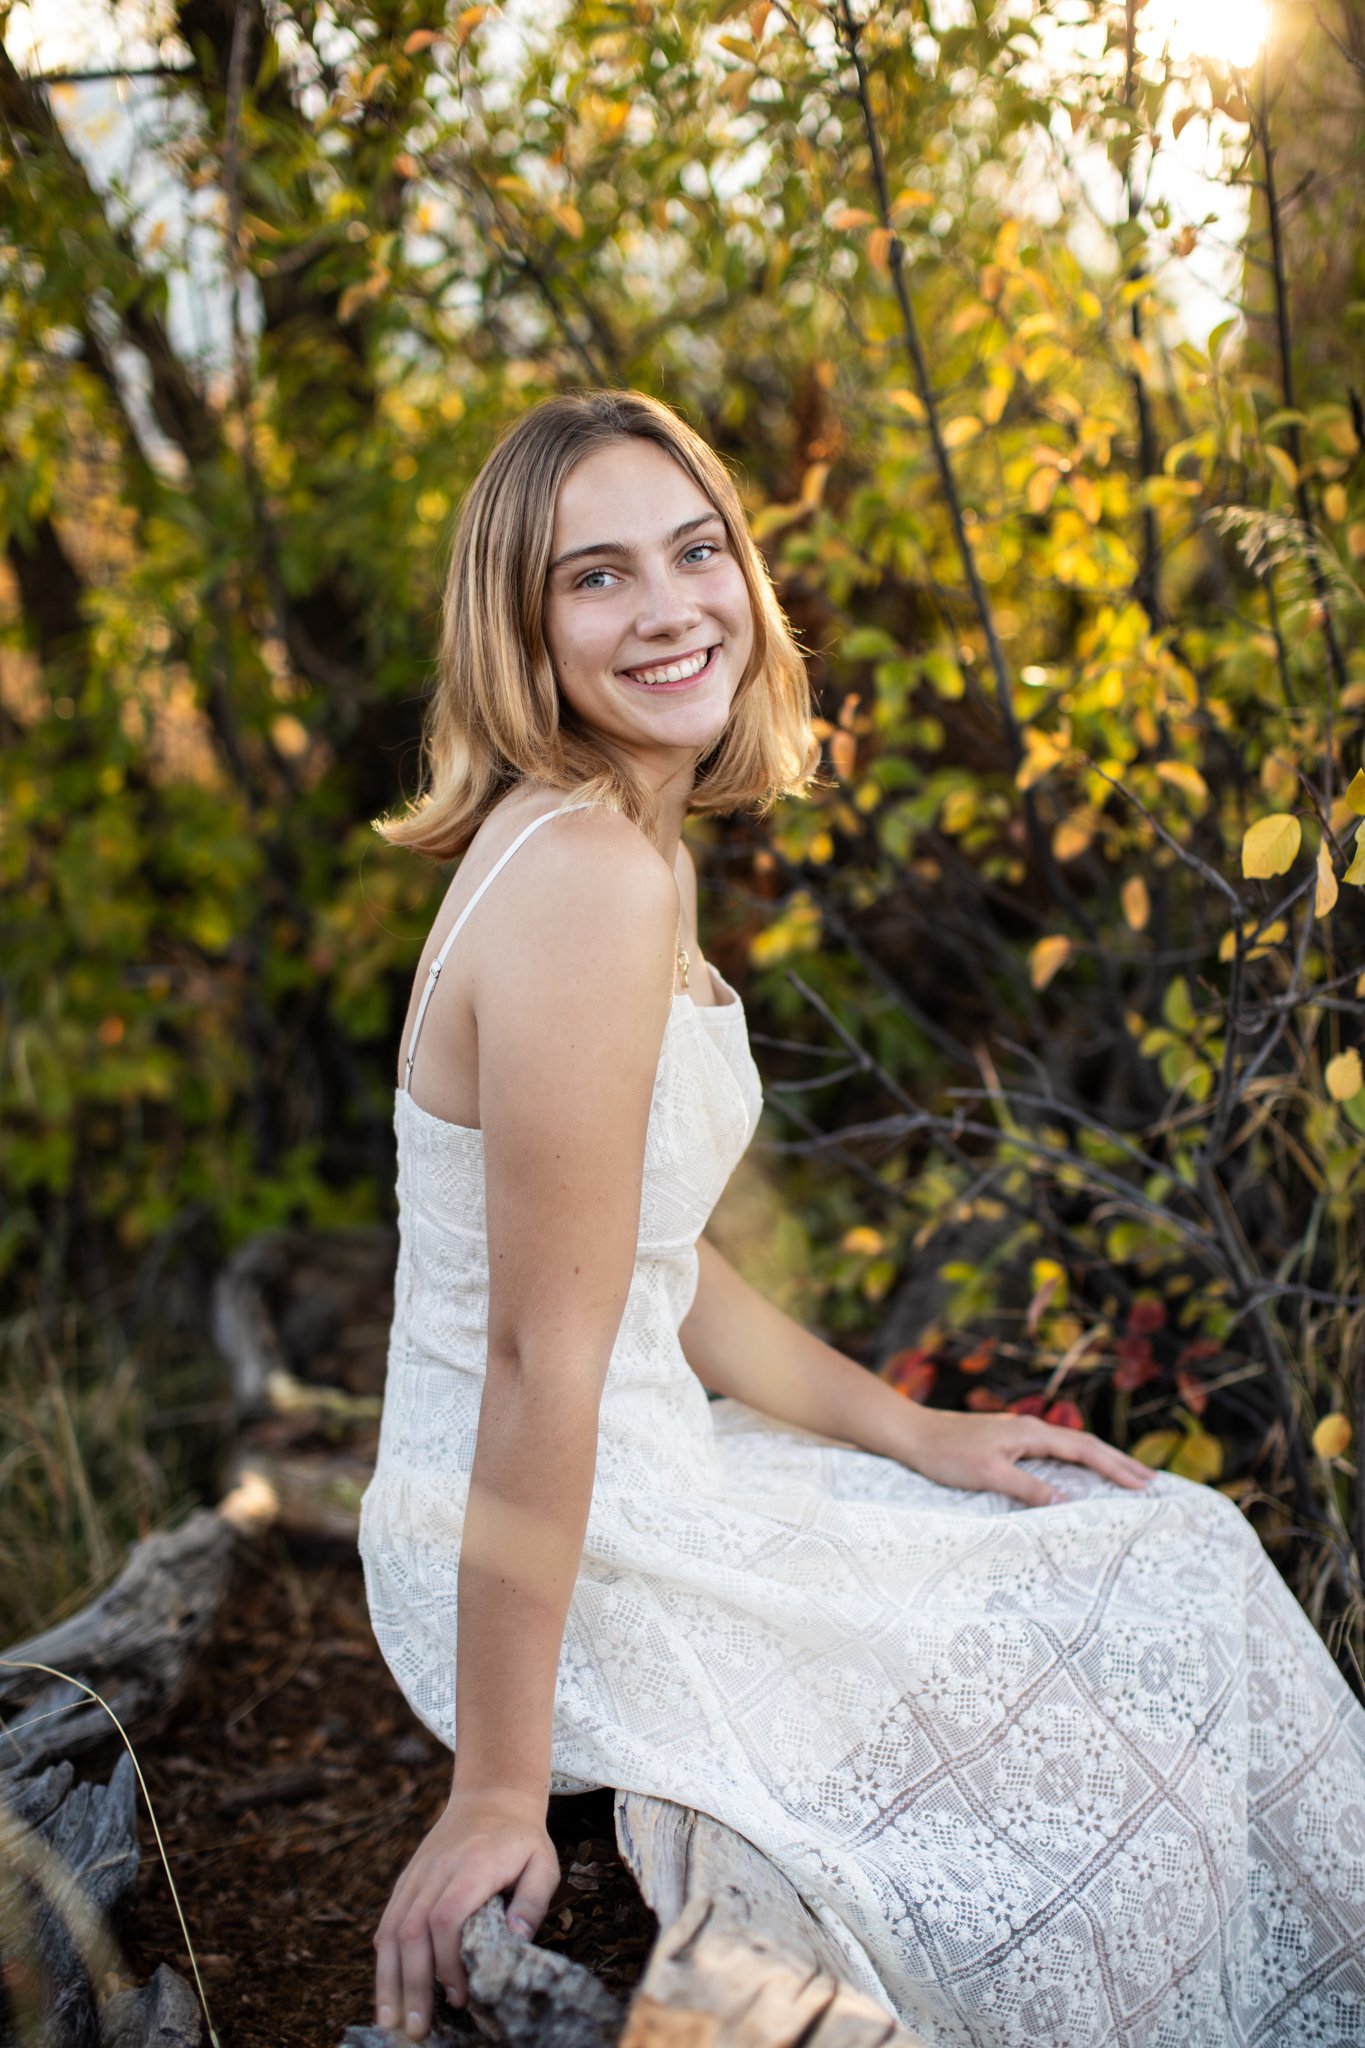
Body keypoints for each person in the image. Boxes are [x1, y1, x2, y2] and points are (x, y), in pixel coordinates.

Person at [359, 388, 1365, 2048]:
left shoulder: (613, 845)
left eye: (695, 552)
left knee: (1158, 1552)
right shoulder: (584, 877)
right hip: (563, 1516)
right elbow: (544, 1360)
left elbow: (651, 1280)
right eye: (594, 578)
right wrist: (496, 1784)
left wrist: (913, 1434)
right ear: (518, 630)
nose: (671, 607)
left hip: (620, 1454)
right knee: (1156, 1600)